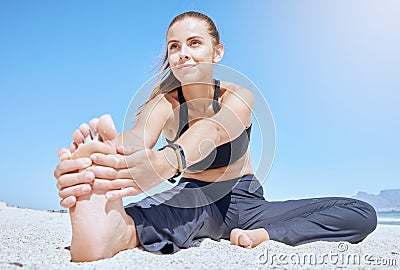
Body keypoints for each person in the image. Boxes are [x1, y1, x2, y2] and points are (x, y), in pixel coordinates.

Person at [53, 11, 377, 262]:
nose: (183, 53)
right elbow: (137, 137)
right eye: (174, 46)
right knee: (151, 214)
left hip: (248, 205)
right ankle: (111, 232)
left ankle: (266, 235)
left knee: (362, 213)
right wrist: (106, 158)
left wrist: (169, 160)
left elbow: (215, 129)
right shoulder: (164, 102)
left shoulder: (238, 95)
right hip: (196, 198)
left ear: (217, 51)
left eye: (194, 43)